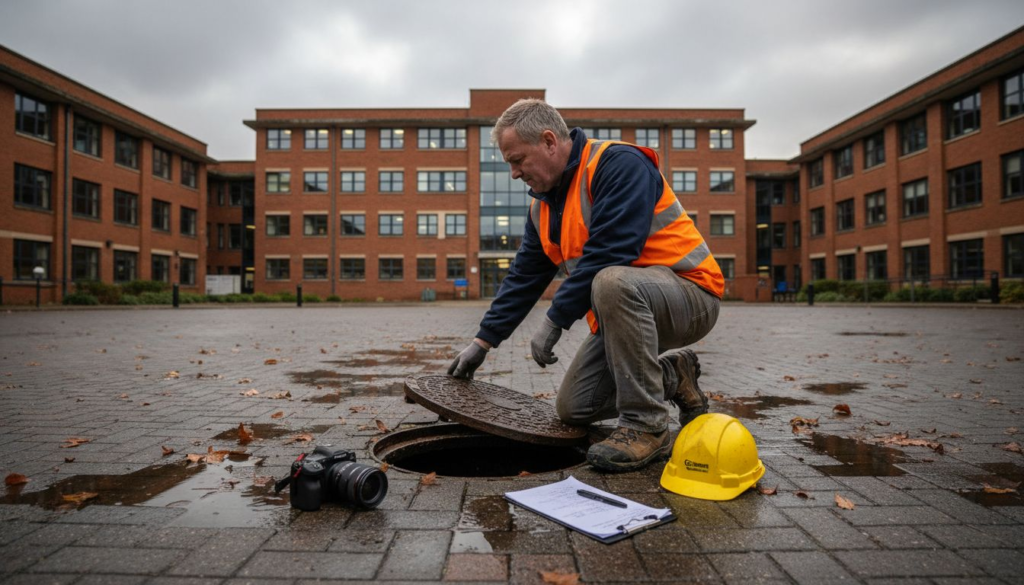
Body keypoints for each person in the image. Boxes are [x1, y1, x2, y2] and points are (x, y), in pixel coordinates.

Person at [448, 99, 723, 472]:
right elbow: (524, 278)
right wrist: (483, 342)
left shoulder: (618, 163)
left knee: (611, 279)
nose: (514, 173)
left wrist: (556, 319)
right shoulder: (542, 207)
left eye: (517, 160)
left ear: (549, 141)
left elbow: (613, 250)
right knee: (575, 407)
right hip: (627, 307)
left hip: (691, 296)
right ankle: (674, 375)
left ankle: (646, 425)